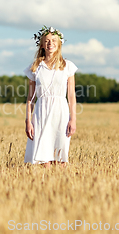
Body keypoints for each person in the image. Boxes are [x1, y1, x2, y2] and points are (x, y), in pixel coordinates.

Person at [23, 25, 78, 168]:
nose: (50, 43)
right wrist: (28, 121)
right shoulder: (35, 67)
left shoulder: (67, 66)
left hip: (61, 111)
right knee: (44, 158)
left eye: (54, 40)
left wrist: (73, 119)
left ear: (59, 43)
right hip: (41, 112)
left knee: (60, 156)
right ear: (41, 44)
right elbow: (30, 98)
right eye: (47, 40)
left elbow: (71, 95)